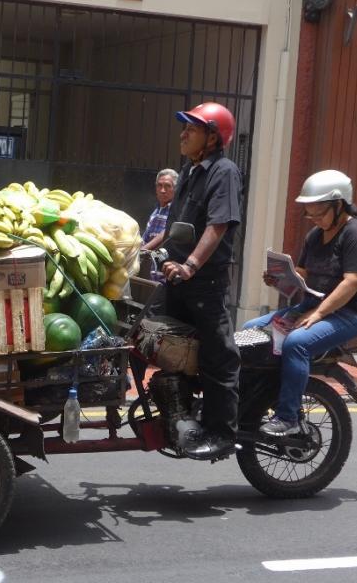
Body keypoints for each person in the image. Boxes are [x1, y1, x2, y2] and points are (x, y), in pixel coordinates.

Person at [243, 169, 357, 435]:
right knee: (251, 330)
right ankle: (252, 401)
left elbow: (352, 282)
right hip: (309, 307)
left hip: (347, 316)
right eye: (310, 214)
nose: (314, 219)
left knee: (297, 343)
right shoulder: (315, 236)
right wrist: (279, 278)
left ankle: (289, 418)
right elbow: (304, 274)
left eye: (319, 213)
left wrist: (318, 314)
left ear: (339, 205)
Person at [158, 102, 243, 460]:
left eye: (191, 129)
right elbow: (174, 225)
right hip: (178, 279)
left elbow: (217, 225)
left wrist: (190, 265)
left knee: (217, 356)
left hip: (204, 282)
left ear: (212, 136)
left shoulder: (223, 172)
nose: (183, 134)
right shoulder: (190, 172)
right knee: (161, 341)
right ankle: (180, 413)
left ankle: (222, 433)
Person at [141, 169, 178, 251]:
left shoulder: (177, 210)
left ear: (176, 188)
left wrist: (142, 251)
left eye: (167, 186)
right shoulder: (156, 212)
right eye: (159, 185)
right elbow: (146, 237)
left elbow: (166, 233)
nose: (162, 190)